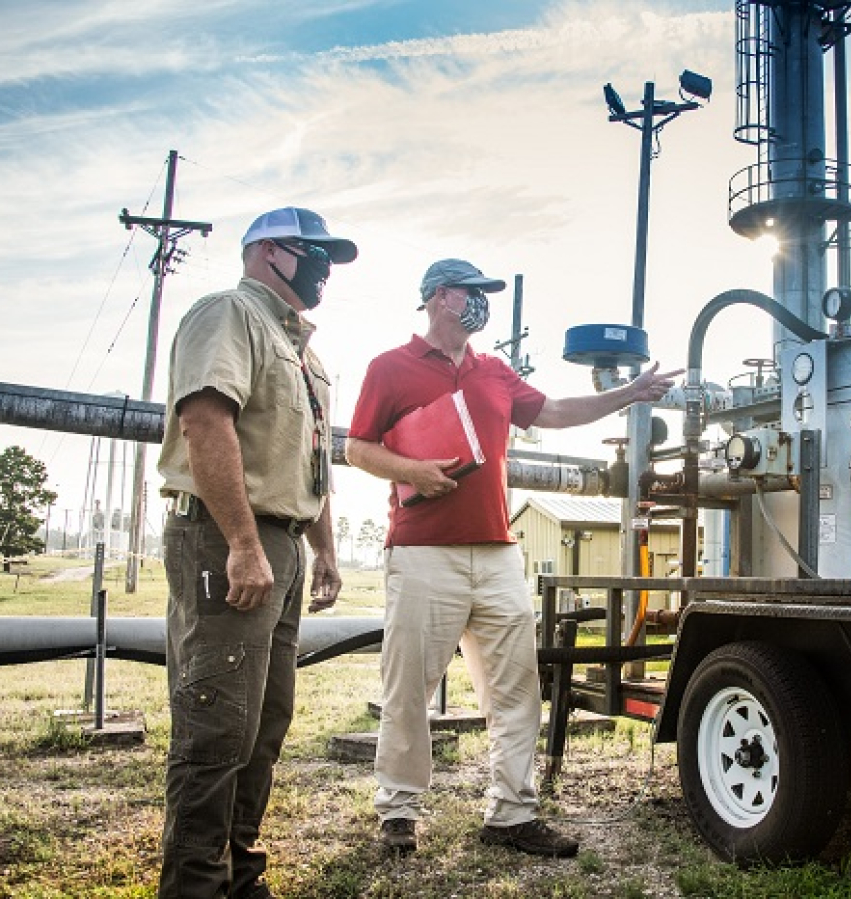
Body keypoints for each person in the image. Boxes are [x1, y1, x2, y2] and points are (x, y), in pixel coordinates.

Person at [345, 258, 680, 859]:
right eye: (472, 293)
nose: (481, 303)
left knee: (517, 689)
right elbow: (356, 447)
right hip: (423, 553)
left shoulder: (494, 371)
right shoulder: (389, 368)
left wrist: (630, 394)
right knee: (408, 690)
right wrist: (411, 470)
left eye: (486, 295)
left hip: (497, 552)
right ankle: (398, 810)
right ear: (439, 297)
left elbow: (553, 412)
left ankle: (512, 813)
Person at [156, 207, 356, 898]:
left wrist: (323, 547)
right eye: (315, 253)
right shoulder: (228, 314)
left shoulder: (305, 353)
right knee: (217, 724)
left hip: (283, 543)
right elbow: (205, 420)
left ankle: (241, 875)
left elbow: (314, 458)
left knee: (263, 724)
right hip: (226, 533)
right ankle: (194, 885)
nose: (324, 267)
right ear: (268, 251)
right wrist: (242, 542)